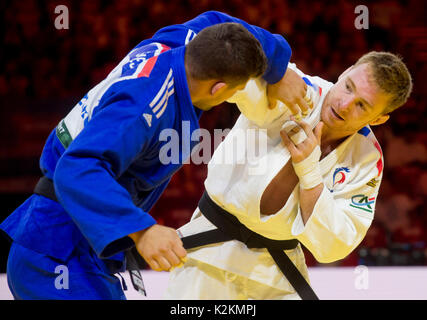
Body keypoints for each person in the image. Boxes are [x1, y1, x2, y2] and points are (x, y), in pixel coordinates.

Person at [0, 11, 310, 299]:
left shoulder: (184, 43)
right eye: (235, 91)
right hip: (56, 253)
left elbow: (218, 20)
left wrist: (278, 67)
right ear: (218, 89)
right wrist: (142, 230)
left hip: (78, 243)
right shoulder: (143, 108)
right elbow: (76, 168)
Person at [164, 51, 413, 300]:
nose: (345, 105)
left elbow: (334, 246)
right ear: (345, 72)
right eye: (348, 87)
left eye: (362, 105)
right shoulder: (295, 88)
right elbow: (242, 83)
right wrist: (268, 69)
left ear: (379, 118)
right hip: (209, 252)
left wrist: (309, 171)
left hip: (275, 271)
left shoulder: (368, 158)